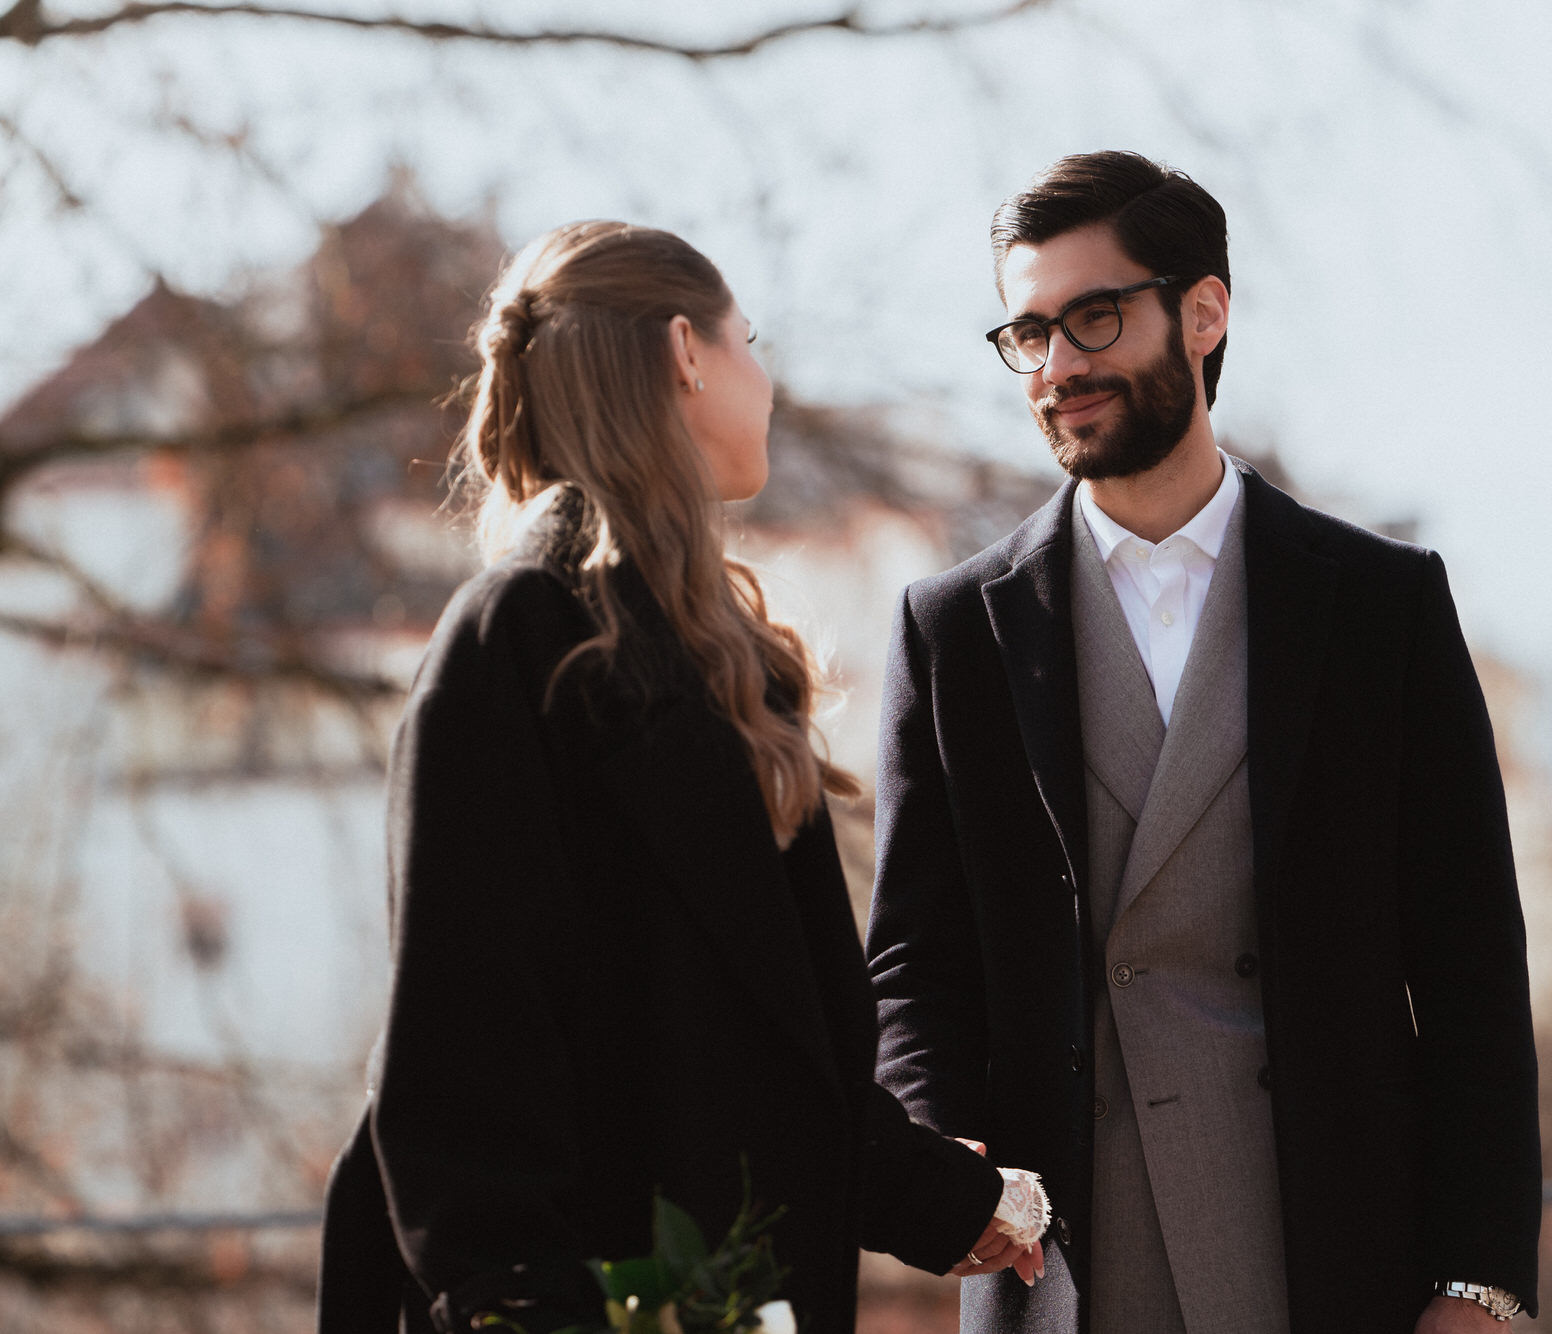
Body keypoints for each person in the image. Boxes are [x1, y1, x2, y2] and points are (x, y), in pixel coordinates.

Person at [315, 220, 1041, 1334]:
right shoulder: (519, 640)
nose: (766, 377)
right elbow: (457, 1055)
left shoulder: (732, 671)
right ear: (684, 354)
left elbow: (783, 1054)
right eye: (747, 340)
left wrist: (951, 1198)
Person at [866, 152, 1541, 1334]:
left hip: (1332, 1251)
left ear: (1203, 311)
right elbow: (915, 963)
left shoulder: (1379, 603)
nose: (1060, 364)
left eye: (1093, 316)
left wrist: (1475, 1278)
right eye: (1029, 333)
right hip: (1060, 1263)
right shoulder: (951, 631)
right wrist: (940, 1155)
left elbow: (1471, 961)